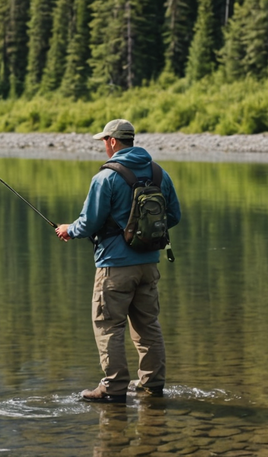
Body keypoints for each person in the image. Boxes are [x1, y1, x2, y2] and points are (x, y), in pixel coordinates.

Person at [55, 119, 182, 404]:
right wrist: (143, 235)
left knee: (109, 326)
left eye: (104, 141)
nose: (103, 146)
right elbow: (173, 216)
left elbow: (88, 223)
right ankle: (152, 383)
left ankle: (113, 387)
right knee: (148, 325)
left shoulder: (106, 177)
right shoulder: (159, 173)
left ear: (112, 141)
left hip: (114, 266)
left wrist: (68, 229)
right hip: (149, 264)